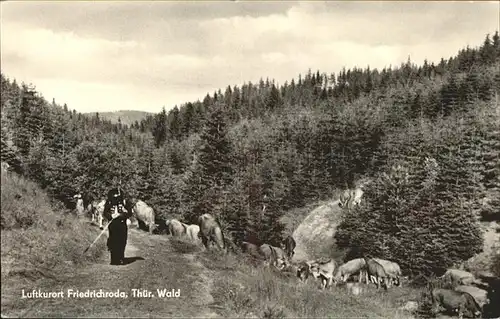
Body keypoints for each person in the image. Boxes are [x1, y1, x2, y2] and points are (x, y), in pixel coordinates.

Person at [104, 187, 133, 265]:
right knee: (113, 241)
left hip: (122, 224)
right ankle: (113, 259)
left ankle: (120, 258)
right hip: (112, 224)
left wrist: (121, 215)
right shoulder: (109, 202)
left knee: (122, 241)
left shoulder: (125, 202)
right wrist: (110, 216)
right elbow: (105, 212)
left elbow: (129, 213)